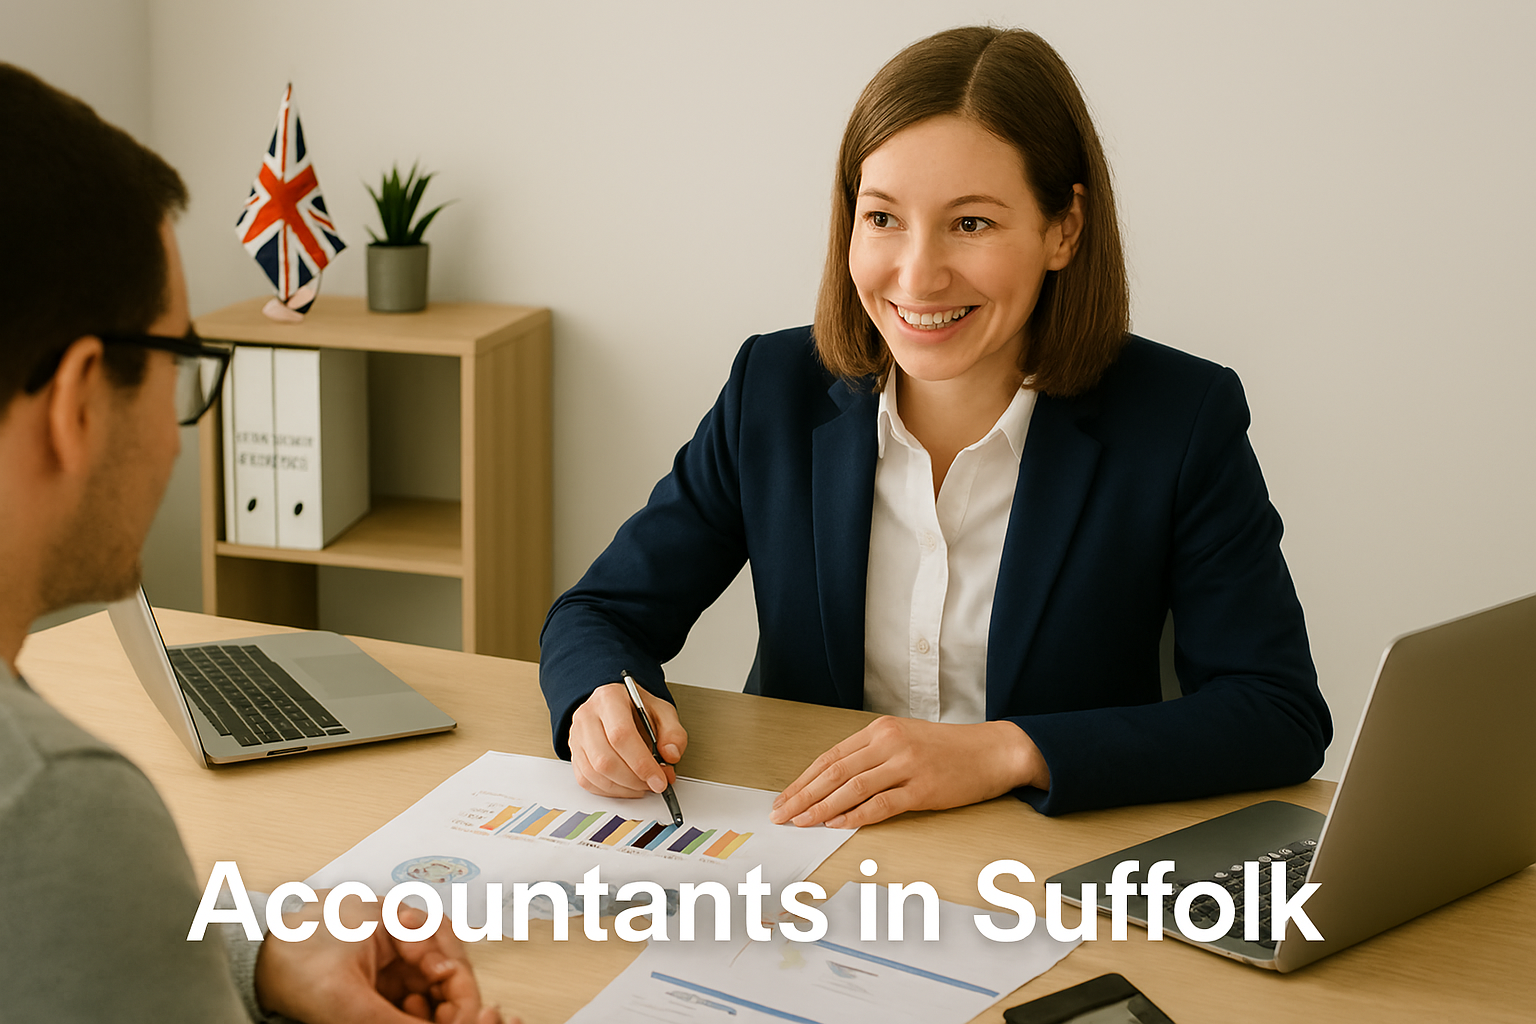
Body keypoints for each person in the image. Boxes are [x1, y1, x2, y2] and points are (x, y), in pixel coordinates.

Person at [538, 26, 1331, 825]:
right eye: (883, 217)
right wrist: (598, 695)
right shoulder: (772, 389)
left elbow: (1276, 710)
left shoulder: (1181, 417)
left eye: (971, 224)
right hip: (808, 838)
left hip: (1039, 858)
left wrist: (1007, 750)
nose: (918, 276)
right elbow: (600, 613)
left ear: (1064, 228)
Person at [0, 64, 511, 1023]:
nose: (180, 432)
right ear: (77, 401)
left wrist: (261, 952)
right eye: (181, 363)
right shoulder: (55, 807)